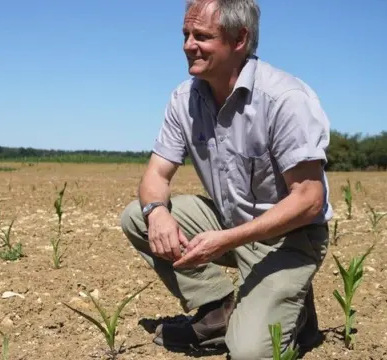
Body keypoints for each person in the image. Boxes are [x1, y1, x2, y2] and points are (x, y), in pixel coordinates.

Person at [120, 0, 331, 358]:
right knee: (136, 216)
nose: (188, 45)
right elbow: (156, 173)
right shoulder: (184, 98)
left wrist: (227, 239)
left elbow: (309, 198)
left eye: (202, 35)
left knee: (249, 353)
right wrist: (156, 212)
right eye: (186, 34)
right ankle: (217, 310)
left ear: (239, 39)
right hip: (229, 224)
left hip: (288, 238)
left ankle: (295, 314)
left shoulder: (284, 98)